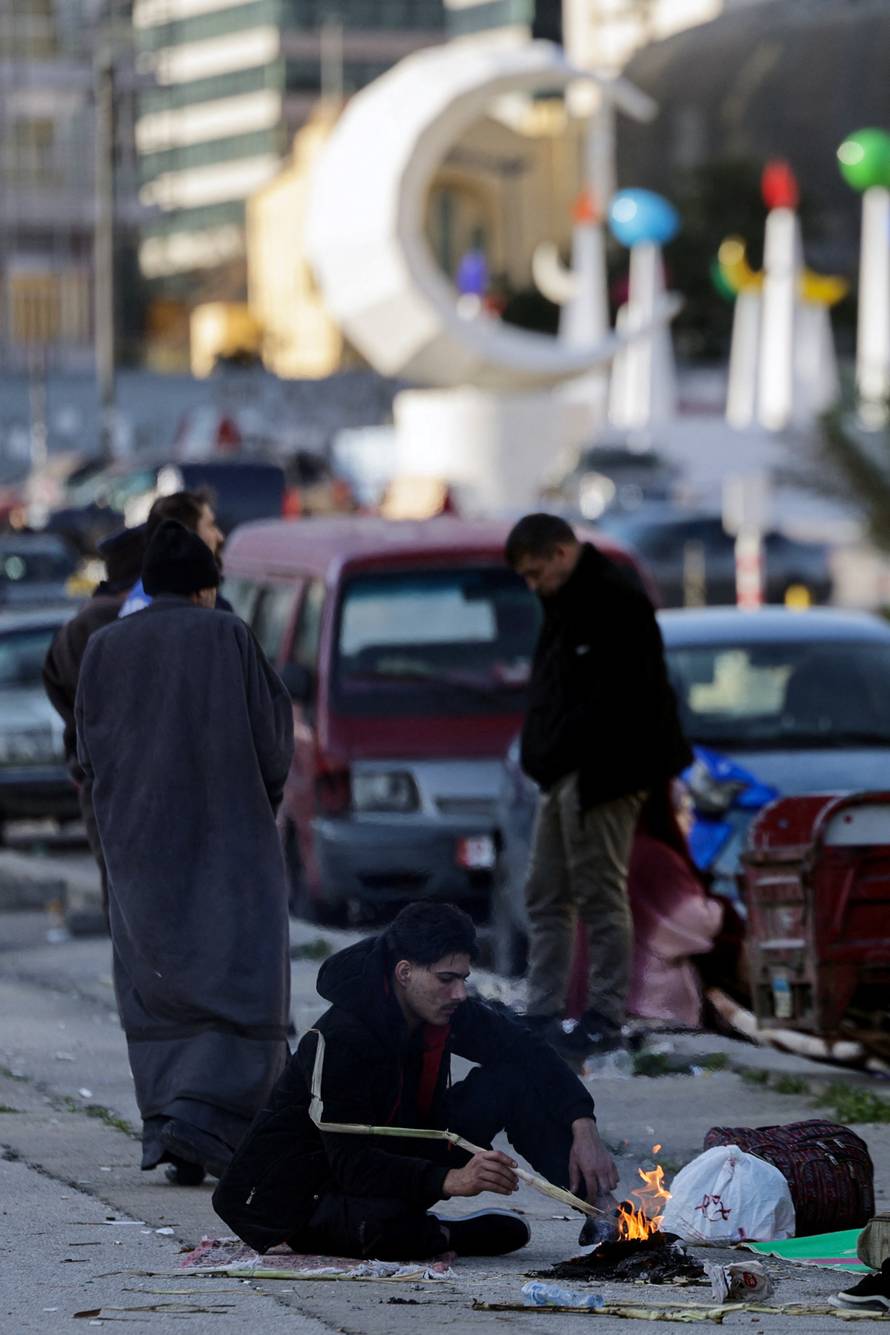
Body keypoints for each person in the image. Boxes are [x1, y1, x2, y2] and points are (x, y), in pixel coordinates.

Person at [212, 901, 618, 1261]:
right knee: (385, 1231)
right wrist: (453, 1180)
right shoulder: (343, 1037)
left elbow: (525, 1051)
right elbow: (352, 1163)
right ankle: (443, 1233)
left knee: (511, 1080)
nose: (459, 993)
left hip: (398, 1152)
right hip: (308, 1190)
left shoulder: (444, 1006)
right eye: (446, 979)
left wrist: (583, 1123)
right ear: (404, 973)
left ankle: (600, 1210)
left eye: (463, 978)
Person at [75, 520, 294, 1185]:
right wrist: (256, 804)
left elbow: (87, 754)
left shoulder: (104, 647)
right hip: (231, 847)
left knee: (159, 985)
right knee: (240, 977)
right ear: (205, 588)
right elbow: (274, 744)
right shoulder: (228, 635)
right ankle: (218, 1126)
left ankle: (171, 1125)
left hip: (138, 849)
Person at [504, 513, 691, 1058]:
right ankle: (544, 1007)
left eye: (538, 572)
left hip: (604, 775)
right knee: (546, 889)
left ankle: (604, 1013)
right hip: (566, 772)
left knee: (599, 893)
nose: (535, 586)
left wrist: (566, 754)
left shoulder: (613, 601)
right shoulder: (567, 603)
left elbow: (622, 704)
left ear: (562, 552)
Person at [42, 524, 146, 916]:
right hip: (128, 783)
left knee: (119, 908)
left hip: (96, 783)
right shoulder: (115, 622)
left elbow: (55, 686)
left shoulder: (77, 625)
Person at [627, 783, 724, 1029]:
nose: (691, 820)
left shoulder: (631, 849)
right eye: (683, 811)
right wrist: (714, 907)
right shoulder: (658, 857)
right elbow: (696, 923)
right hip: (653, 996)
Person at [119, 488, 227, 617]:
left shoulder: (146, 598)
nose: (220, 537)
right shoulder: (177, 608)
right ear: (185, 536)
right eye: (210, 525)